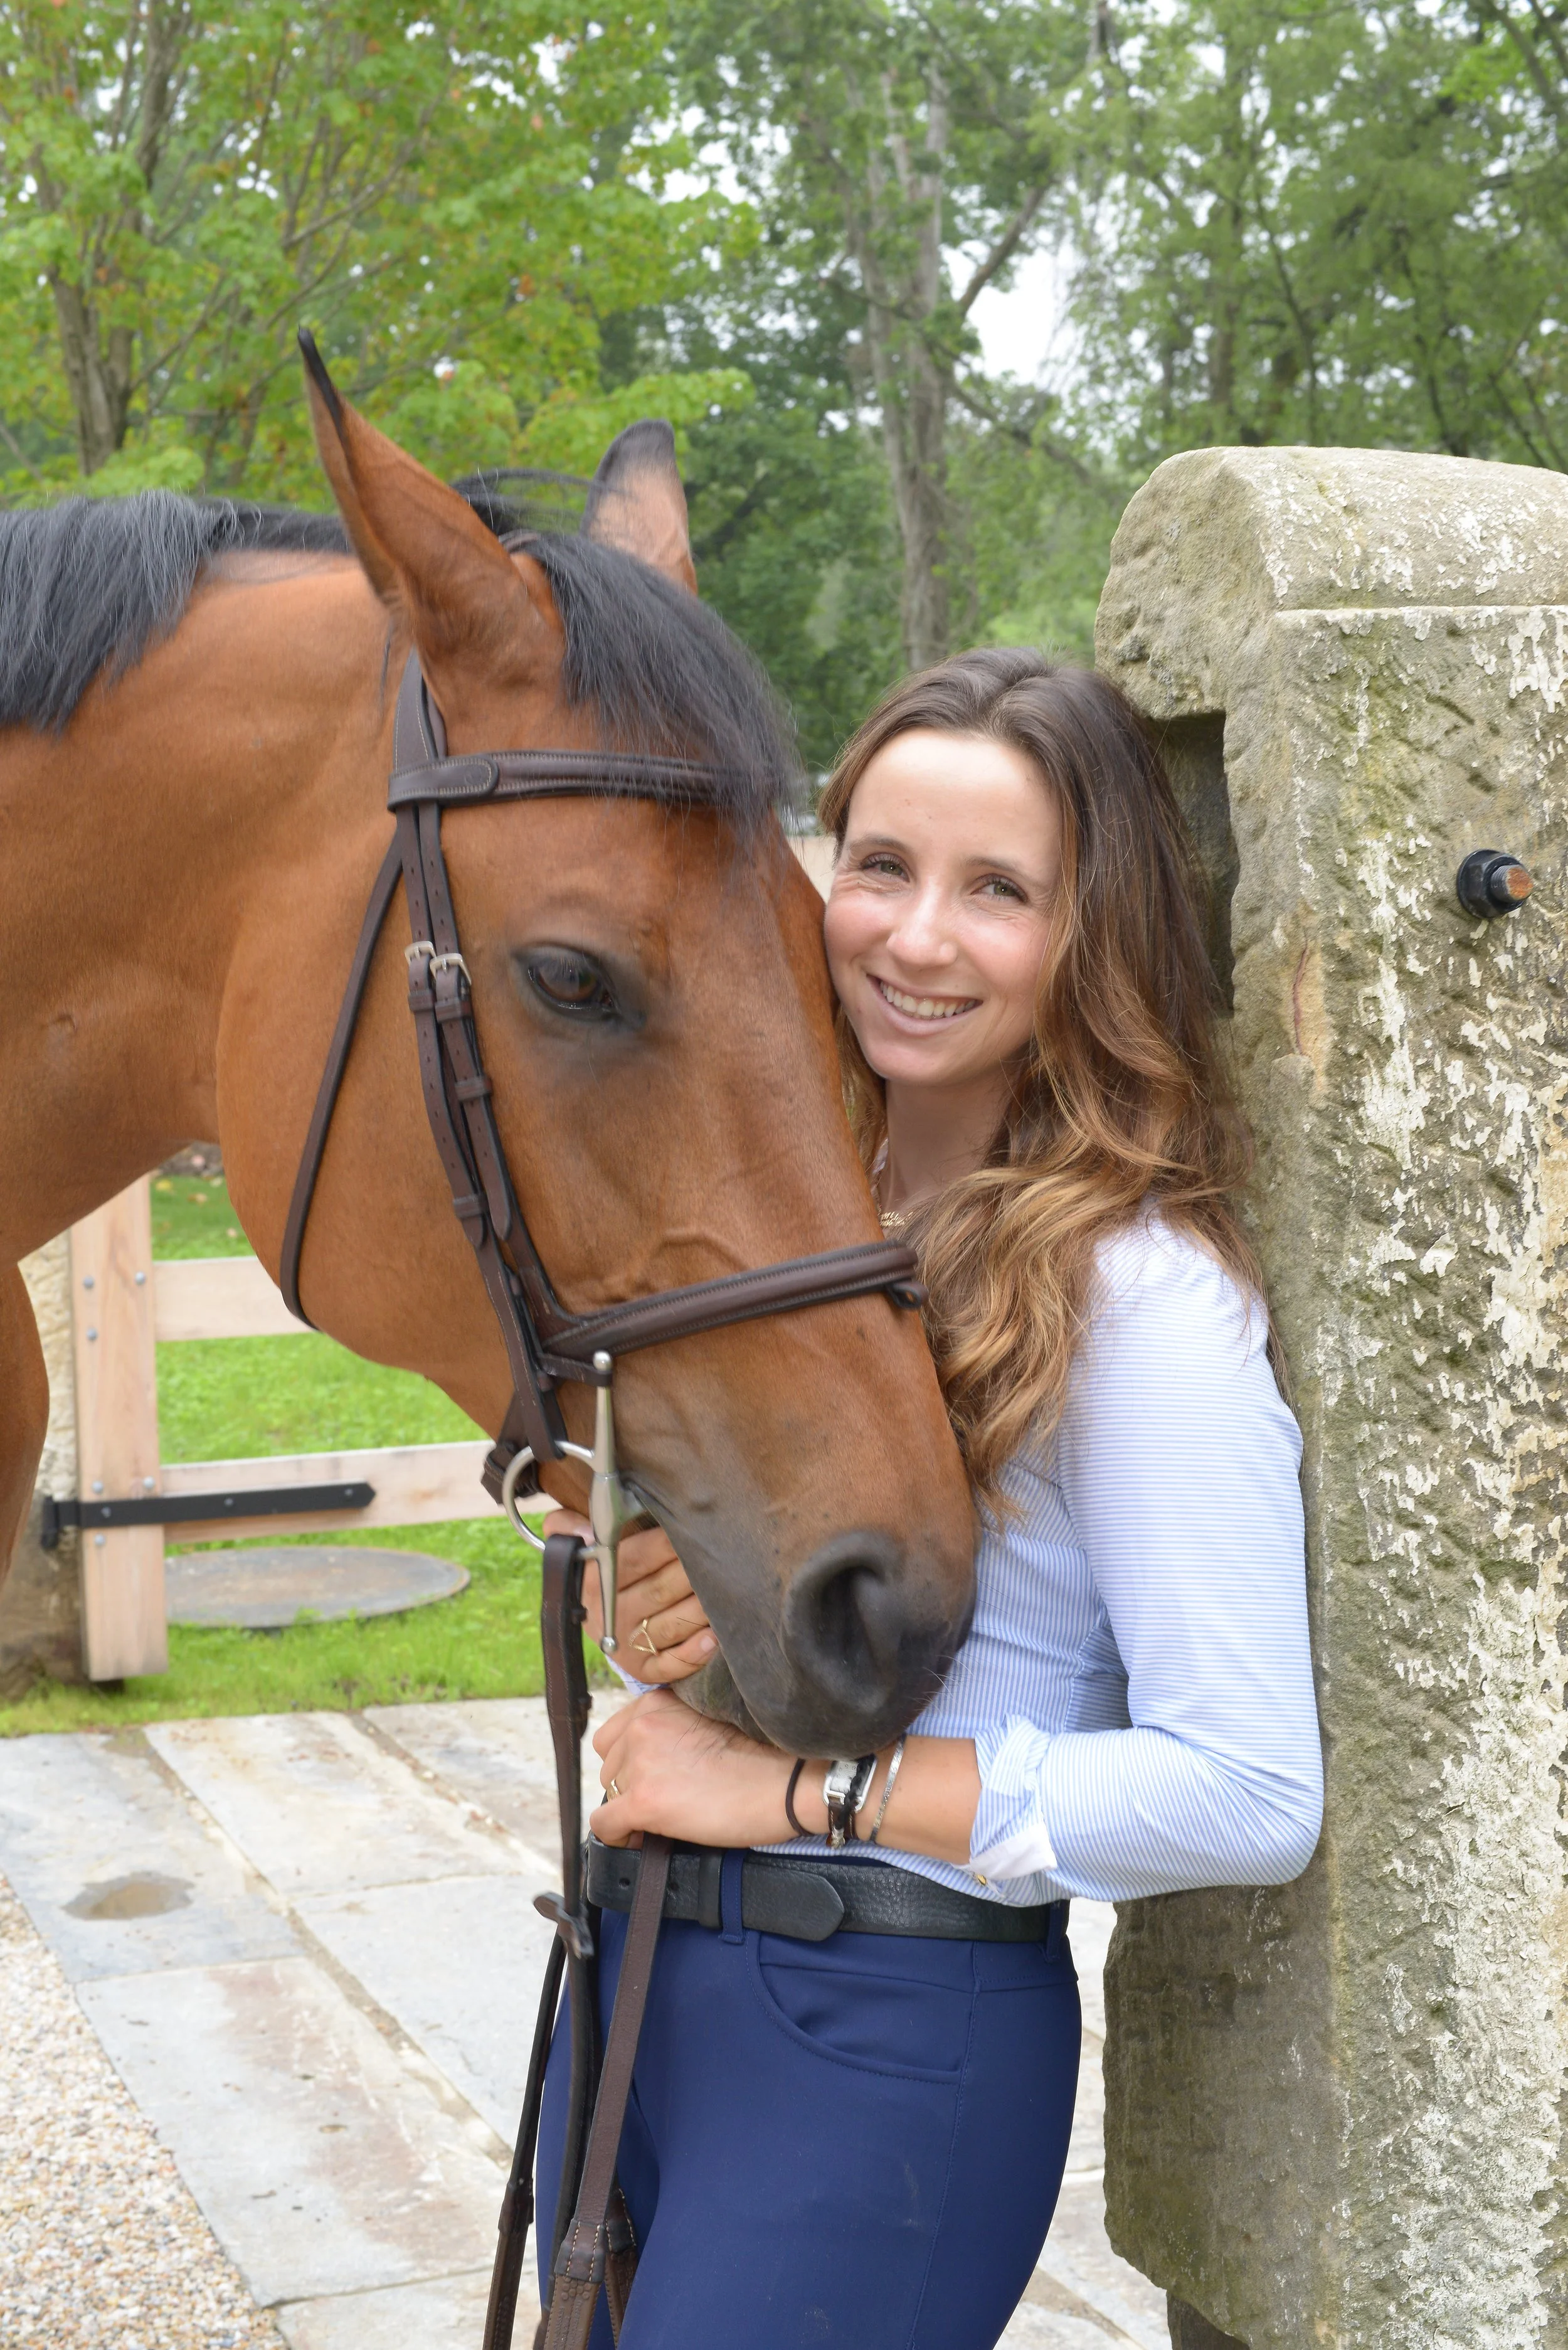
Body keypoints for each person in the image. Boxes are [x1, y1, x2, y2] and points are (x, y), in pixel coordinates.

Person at [536, 647, 1323, 2350]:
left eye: (997, 892)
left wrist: (797, 1796)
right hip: (640, 1985)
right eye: (878, 865)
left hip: (880, 2029)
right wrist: (652, 1585)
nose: (911, 934)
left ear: (1092, 936)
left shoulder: (1137, 1292)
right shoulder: (781, 1230)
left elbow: (1247, 1790)